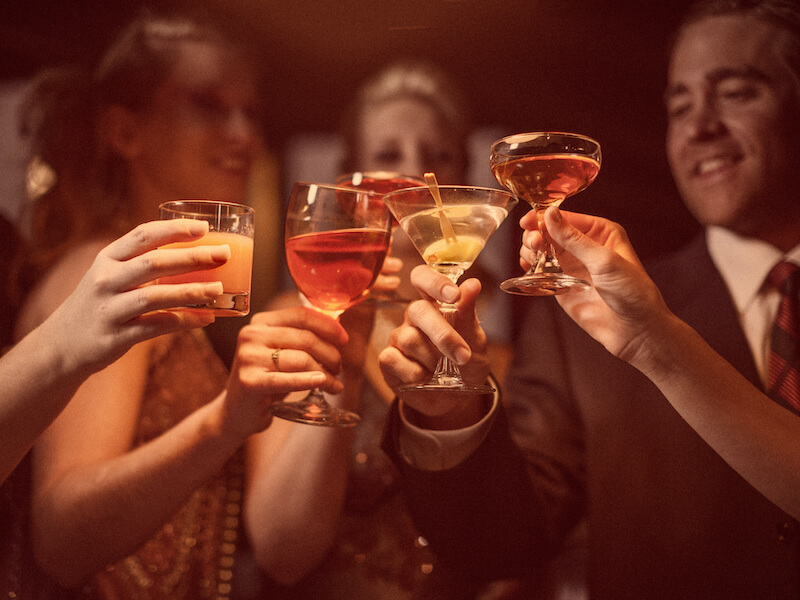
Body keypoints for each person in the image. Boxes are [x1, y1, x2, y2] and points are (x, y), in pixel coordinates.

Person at [378, 1, 800, 598]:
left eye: (735, 93)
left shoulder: (632, 315)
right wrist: (449, 414)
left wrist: (657, 342)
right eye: (679, 105)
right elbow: (500, 543)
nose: (698, 125)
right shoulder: (581, 319)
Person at [5, 13, 349, 599]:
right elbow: (61, 541)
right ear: (124, 133)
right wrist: (220, 426)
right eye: (209, 105)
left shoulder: (164, 289)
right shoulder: (105, 282)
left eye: (251, 111)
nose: (243, 134)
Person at [243, 60, 511, 599]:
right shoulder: (298, 319)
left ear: (461, 181)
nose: (414, 174)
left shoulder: (509, 334)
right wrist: (346, 347)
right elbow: (281, 552)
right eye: (388, 155)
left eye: (438, 156)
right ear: (350, 184)